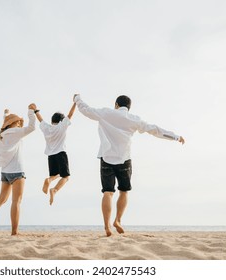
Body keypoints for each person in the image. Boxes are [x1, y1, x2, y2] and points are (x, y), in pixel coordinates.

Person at [73, 94, 185, 237]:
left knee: (108, 192)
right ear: (129, 107)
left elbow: (86, 110)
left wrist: (77, 99)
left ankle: (107, 226)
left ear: (116, 104)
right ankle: (118, 221)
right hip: (124, 159)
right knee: (124, 191)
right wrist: (175, 137)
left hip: (107, 157)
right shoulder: (134, 119)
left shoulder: (106, 113)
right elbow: (154, 130)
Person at [0, 104, 36, 235]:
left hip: (5, 172)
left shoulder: (3, 134)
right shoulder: (16, 132)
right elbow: (32, 127)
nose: (19, 124)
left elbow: (5, 123)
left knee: (0, 199)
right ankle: (14, 232)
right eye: (18, 122)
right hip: (17, 172)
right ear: (15, 123)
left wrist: (6, 114)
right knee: (16, 201)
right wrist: (31, 111)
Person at [34, 101, 76, 205]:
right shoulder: (62, 126)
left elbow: (40, 119)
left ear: (52, 120)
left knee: (55, 174)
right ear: (61, 121)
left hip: (50, 156)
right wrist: (75, 103)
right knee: (66, 177)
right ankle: (54, 190)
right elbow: (70, 115)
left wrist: (35, 111)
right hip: (61, 153)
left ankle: (49, 180)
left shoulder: (46, 128)